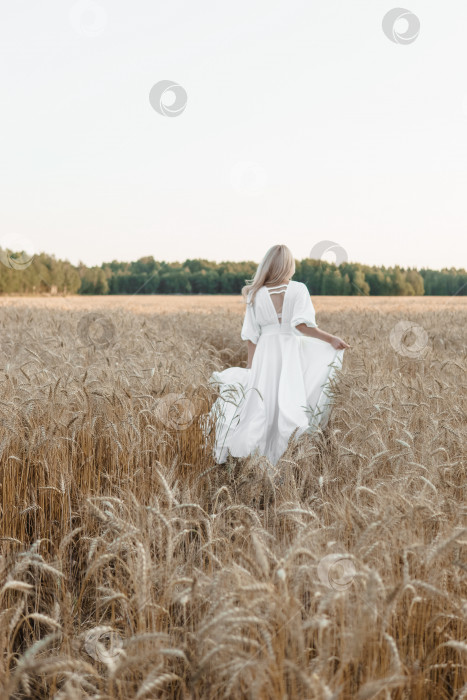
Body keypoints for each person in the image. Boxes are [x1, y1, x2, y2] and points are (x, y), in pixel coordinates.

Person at [207, 244, 350, 467]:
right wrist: (330, 339)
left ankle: (256, 459)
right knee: (288, 400)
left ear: (268, 264)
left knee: (262, 401)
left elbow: (251, 337)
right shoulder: (299, 289)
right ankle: (285, 459)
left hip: (266, 351)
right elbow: (302, 327)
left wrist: (251, 369)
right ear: (289, 266)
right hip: (290, 350)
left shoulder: (255, 293)